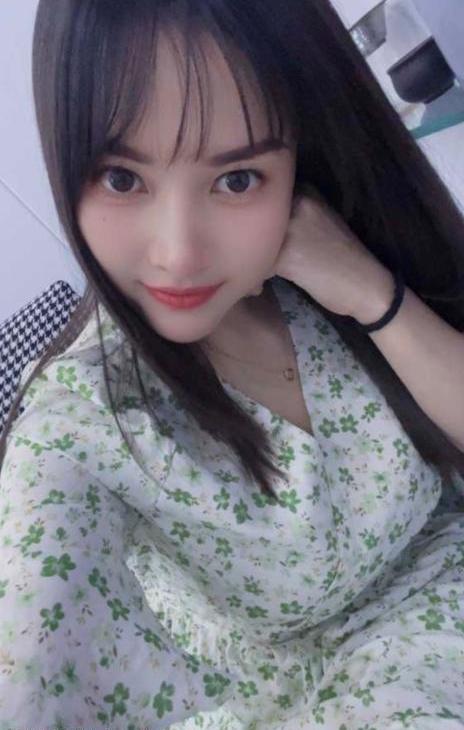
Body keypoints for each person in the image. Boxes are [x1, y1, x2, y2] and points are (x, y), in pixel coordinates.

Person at [1, 0, 464, 727]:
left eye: (238, 178)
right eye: (121, 178)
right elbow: (30, 652)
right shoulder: (85, 419)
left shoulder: (335, 261)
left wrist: (372, 294)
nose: (178, 254)